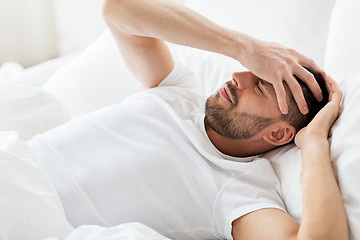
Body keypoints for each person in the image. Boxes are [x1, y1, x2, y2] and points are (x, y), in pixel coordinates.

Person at [27, 0, 348, 239]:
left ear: (280, 134)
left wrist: (314, 140)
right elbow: (118, 10)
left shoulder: (241, 190)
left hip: (28, 214)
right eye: (251, 69)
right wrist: (245, 47)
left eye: (261, 86)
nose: (237, 76)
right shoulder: (179, 91)